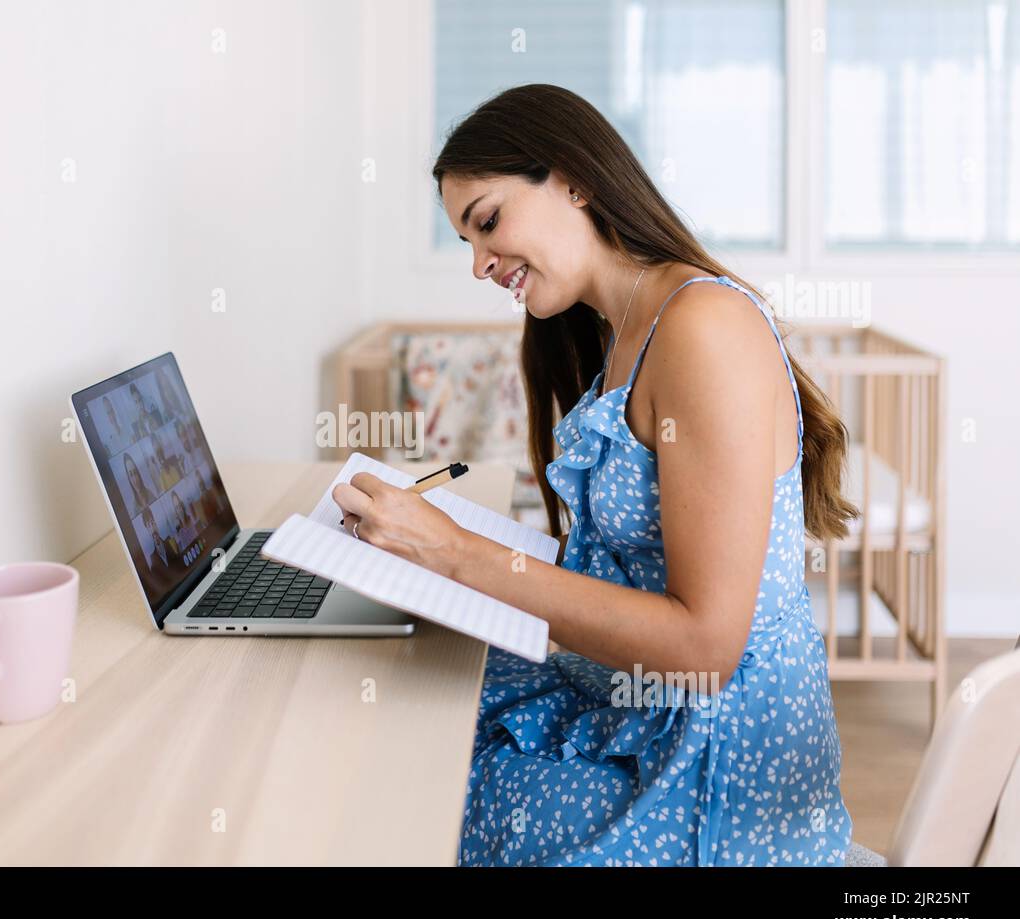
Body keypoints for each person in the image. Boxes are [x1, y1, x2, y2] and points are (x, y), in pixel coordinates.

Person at [331, 84, 856, 867]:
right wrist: (440, 562)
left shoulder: (704, 328)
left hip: (721, 773)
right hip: (649, 710)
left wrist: (456, 554)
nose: (479, 265)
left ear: (574, 179)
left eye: (487, 223)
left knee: (419, 780)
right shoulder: (619, 330)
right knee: (415, 707)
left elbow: (707, 647)